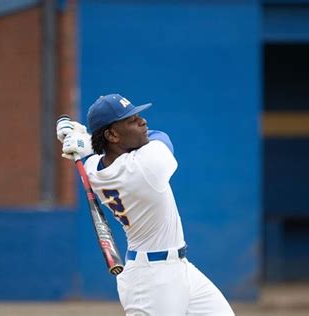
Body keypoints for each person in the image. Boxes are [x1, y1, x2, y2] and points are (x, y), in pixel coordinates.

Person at [56, 94, 234, 315]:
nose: (143, 122)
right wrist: (89, 140)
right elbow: (161, 137)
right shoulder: (144, 166)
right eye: (131, 120)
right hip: (151, 282)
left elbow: (101, 153)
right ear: (111, 134)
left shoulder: (93, 168)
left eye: (138, 116)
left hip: (179, 268)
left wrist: (85, 140)